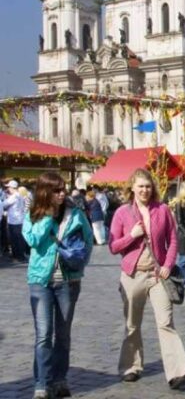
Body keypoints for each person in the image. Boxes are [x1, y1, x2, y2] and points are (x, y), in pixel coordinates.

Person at [109, 168, 185, 390]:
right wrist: (132, 236)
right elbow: (113, 246)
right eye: (140, 186)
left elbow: (173, 240)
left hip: (158, 276)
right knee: (132, 324)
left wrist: (167, 265)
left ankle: (177, 371)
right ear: (132, 188)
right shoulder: (122, 213)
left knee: (165, 322)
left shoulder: (163, 210)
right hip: (132, 275)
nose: (144, 190)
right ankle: (131, 366)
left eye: (148, 186)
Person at [23, 171, 93, 399]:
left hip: (68, 281)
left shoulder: (75, 213)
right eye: (57, 190)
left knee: (63, 334)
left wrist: (79, 263)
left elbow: (88, 239)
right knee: (43, 334)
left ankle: (60, 379)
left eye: (63, 189)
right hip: (40, 281)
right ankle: (42, 383)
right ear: (45, 192)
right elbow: (32, 239)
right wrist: (47, 217)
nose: (62, 193)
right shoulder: (33, 214)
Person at [4, 179, 29, 261]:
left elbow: (4, 204)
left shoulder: (14, 197)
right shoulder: (20, 195)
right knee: (17, 239)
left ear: (12, 187)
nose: (8, 189)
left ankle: (19, 256)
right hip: (19, 220)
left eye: (9, 187)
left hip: (14, 221)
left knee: (16, 239)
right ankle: (17, 255)